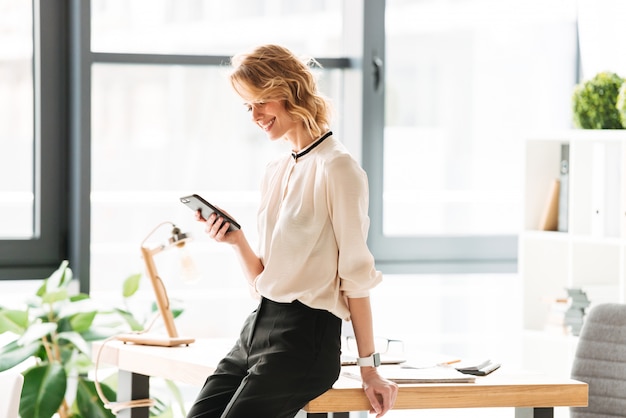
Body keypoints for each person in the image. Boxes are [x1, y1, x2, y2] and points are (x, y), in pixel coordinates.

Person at [186, 44, 398, 418]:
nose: (254, 116)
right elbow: (263, 284)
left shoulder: (338, 169)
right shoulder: (276, 169)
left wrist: (370, 368)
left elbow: (356, 277)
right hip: (255, 330)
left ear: (287, 92)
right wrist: (236, 241)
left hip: (305, 341)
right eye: (248, 106)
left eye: (260, 103)